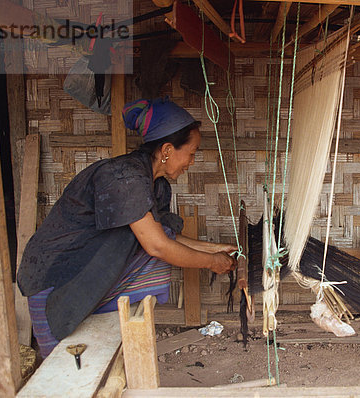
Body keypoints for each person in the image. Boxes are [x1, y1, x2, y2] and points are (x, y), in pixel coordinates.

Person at [17, 98, 237, 358]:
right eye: (191, 152)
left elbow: (163, 235)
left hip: (82, 271)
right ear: (167, 150)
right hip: (57, 279)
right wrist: (211, 261)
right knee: (65, 370)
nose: (191, 161)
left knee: (159, 235)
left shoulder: (153, 184)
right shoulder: (124, 177)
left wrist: (216, 248)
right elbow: (156, 245)